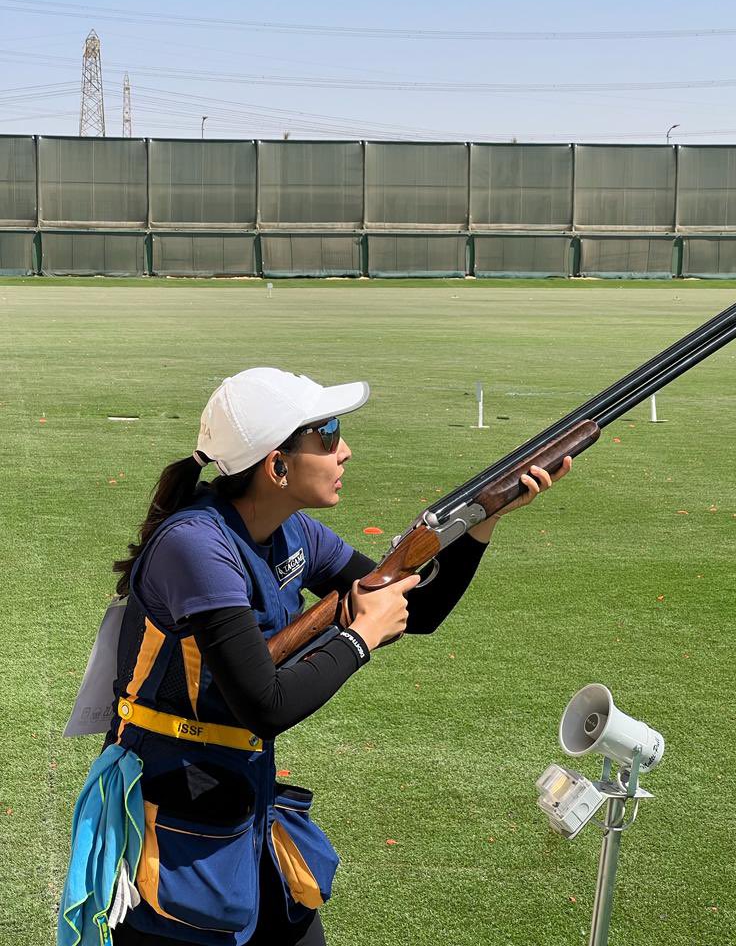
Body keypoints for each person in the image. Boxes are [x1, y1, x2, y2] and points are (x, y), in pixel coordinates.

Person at [61, 367, 571, 946]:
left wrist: (484, 522)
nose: (345, 451)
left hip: (239, 799)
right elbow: (264, 704)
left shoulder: (292, 530)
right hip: (171, 817)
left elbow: (415, 610)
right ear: (276, 465)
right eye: (328, 436)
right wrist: (359, 638)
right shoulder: (195, 545)